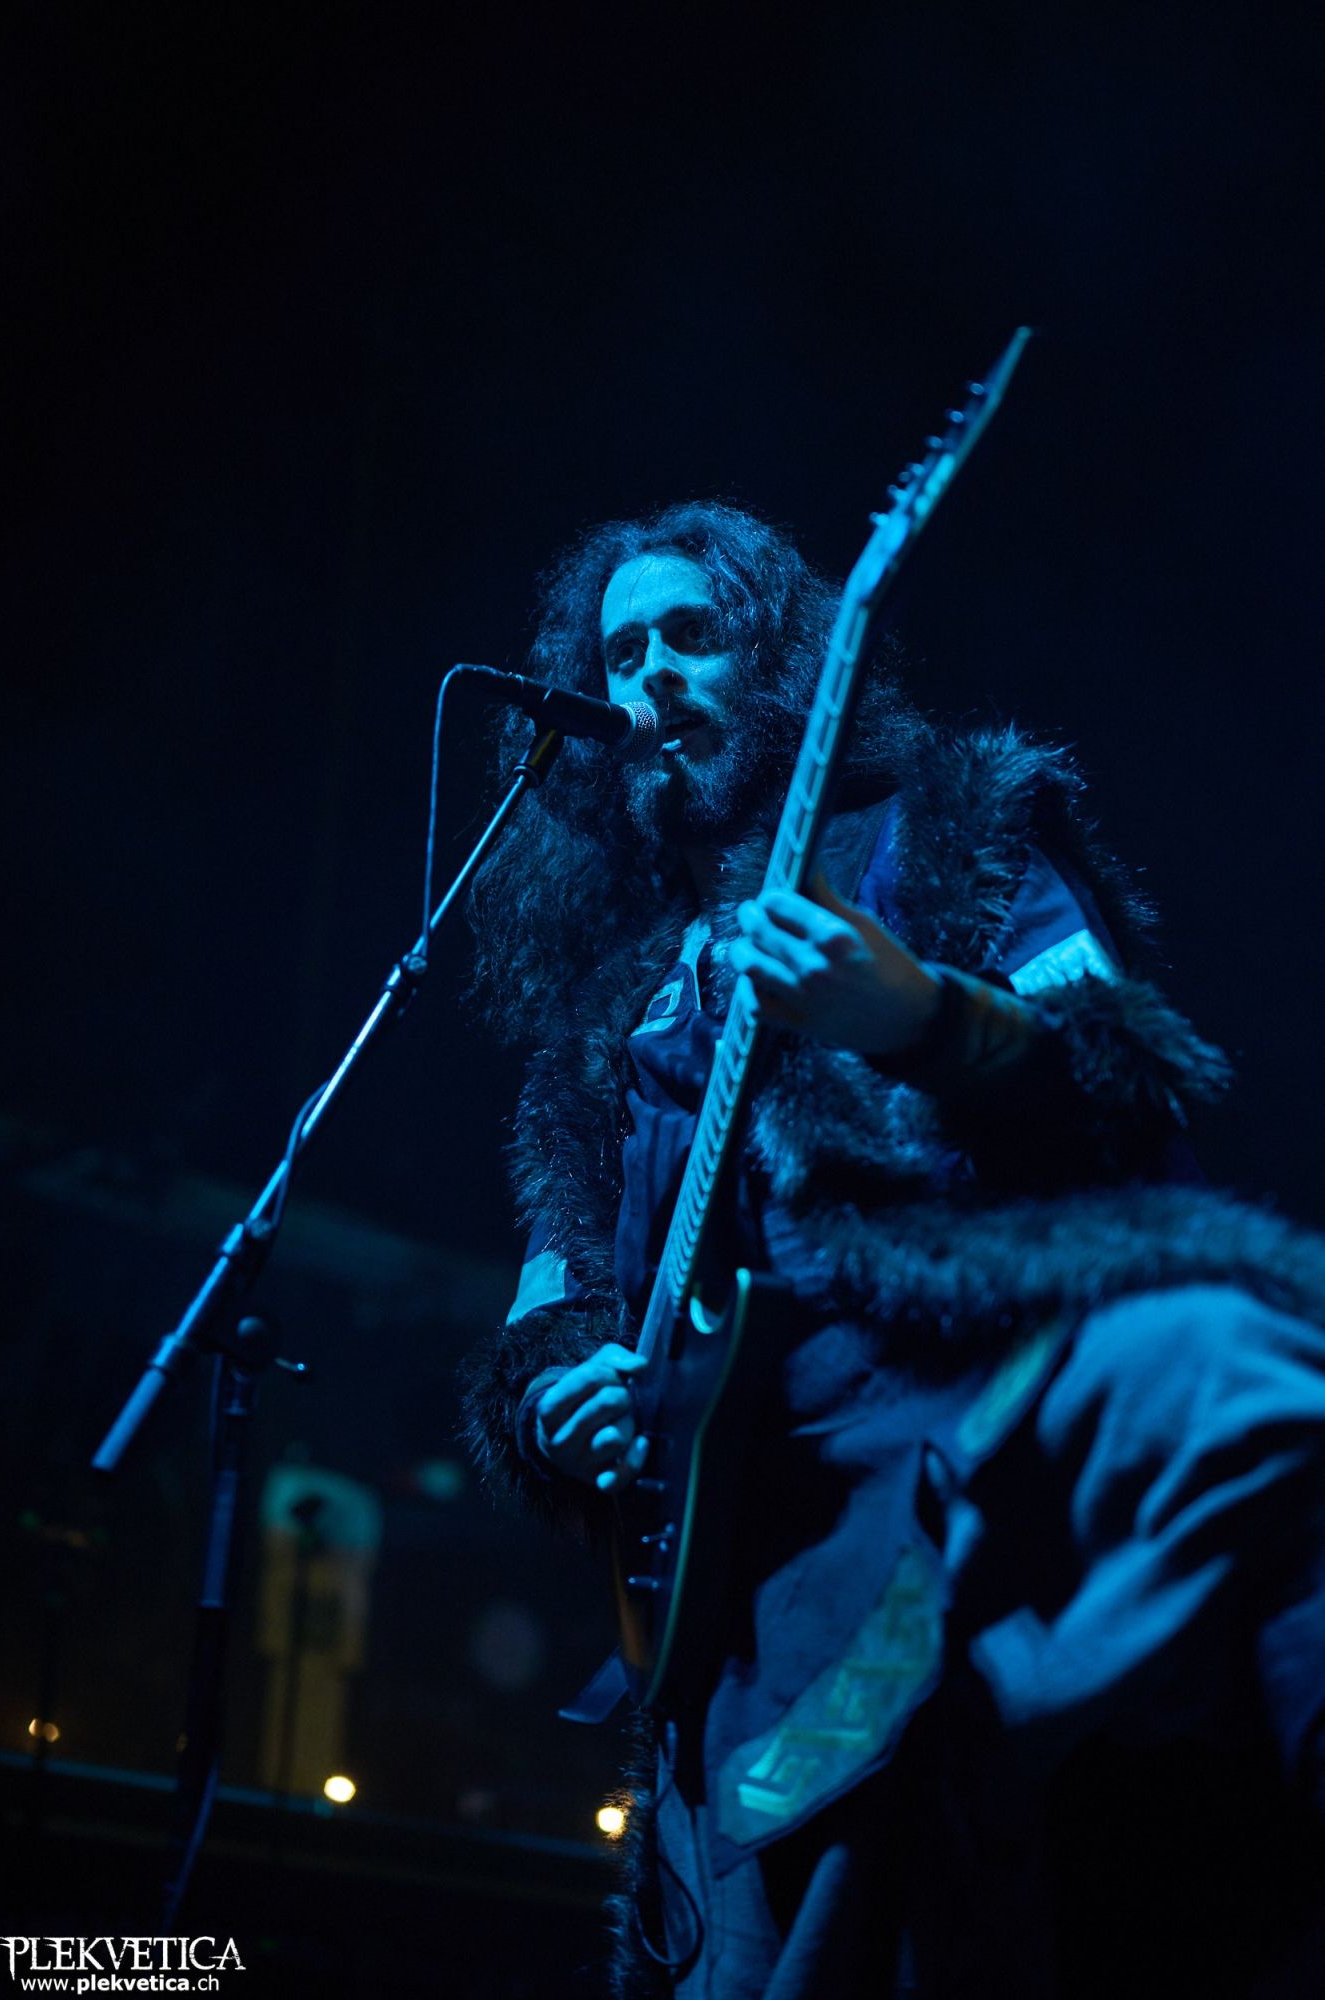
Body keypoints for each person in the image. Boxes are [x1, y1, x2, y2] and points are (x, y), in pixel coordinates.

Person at [461, 502, 1325, 1997]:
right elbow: (558, 1289)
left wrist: (919, 1017)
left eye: (691, 633)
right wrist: (552, 1394)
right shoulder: (599, 1025)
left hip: (958, 1448)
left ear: (782, 658)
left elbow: (1123, 1082)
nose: (651, 672)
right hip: (741, 1596)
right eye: (621, 650)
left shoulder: (950, 836)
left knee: (1243, 1390)